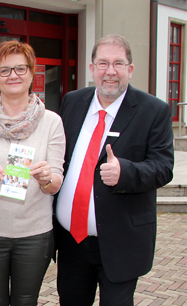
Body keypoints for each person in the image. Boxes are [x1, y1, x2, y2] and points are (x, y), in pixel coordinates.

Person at [55, 34, 174, 305]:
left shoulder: (153, 111)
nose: (110, 72)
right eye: (103, 63)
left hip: (120, 242)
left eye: (118, 64)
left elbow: (164, 167)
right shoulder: (73, 102)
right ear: (92, 68)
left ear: (130, 69)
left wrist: (126, 172)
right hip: (71, 242)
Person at [0, 40, 65, 305]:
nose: (13, 76)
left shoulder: (52, 122)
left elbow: (56, 182)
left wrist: (46, 178)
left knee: (26, 301)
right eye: (5, 70)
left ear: (32, 73)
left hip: (34, 235)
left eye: (21, 68)